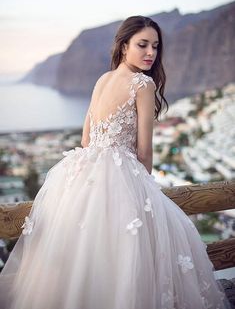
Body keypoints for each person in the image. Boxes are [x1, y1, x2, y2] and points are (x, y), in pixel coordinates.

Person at [0, 16, 231, 309]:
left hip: (81, 174)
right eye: (142, 45)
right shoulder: (142, 84)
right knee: (131, 256)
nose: (151, 53)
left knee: (85, 259)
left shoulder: (103, 79)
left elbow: (86, 139)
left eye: (156, 47)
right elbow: (145, 151)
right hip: (122, 173)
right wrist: (144, 193)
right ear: (124, 46)